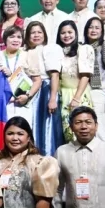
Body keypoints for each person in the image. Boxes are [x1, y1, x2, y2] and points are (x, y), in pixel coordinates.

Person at [22, 22, 62, 154]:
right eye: (33, 32)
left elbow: (54, 75)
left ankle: (47, 157)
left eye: (39, 32)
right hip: (31, 91)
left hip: (46, 90)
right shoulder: (25, 51)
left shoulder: (49, 49)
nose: (36, 35)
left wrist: (52, 98)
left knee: (47, 128)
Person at [55, 21, 94, 142]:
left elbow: (85, 76)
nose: (66, 35)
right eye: (63, 33)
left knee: (82, 130)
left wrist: (76, 98)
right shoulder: (58, 51)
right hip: (63, 95)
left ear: (76, 33)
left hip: (78, 94)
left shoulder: (84, 49)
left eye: (70, 32)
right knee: (68, 133)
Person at [2, 26, 43, 124]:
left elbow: (37, 80)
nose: (16, 40)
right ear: (5, 39)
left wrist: (27, 96)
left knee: (23, 132)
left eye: (19, 37)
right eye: (12, 37)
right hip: (3, 103)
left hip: (23, 103)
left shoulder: (29, 55)